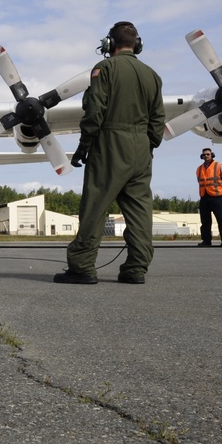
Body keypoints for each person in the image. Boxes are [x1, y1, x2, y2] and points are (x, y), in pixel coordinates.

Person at [54, 21, 165, 285]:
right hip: (141, 150)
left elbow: (95, 111)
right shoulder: (152, 75)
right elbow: (158, 119)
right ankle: (136, 269)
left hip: (110, 144)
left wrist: (85, 145)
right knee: (140, 210)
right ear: (137, 44)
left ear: (110, 44)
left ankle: (82, 266)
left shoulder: (104, 68)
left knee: (95, 205)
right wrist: (148, 144)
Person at [196, 147, 222, 246]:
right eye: (204, 154)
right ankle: (206, 241)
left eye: (208, 154)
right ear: (202, 156)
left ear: (212, 155)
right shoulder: (199, 169)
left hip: (217, 197)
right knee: (205, 221)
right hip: (204, 197)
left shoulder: (219, 166)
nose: (206, 156)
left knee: (221, 219)